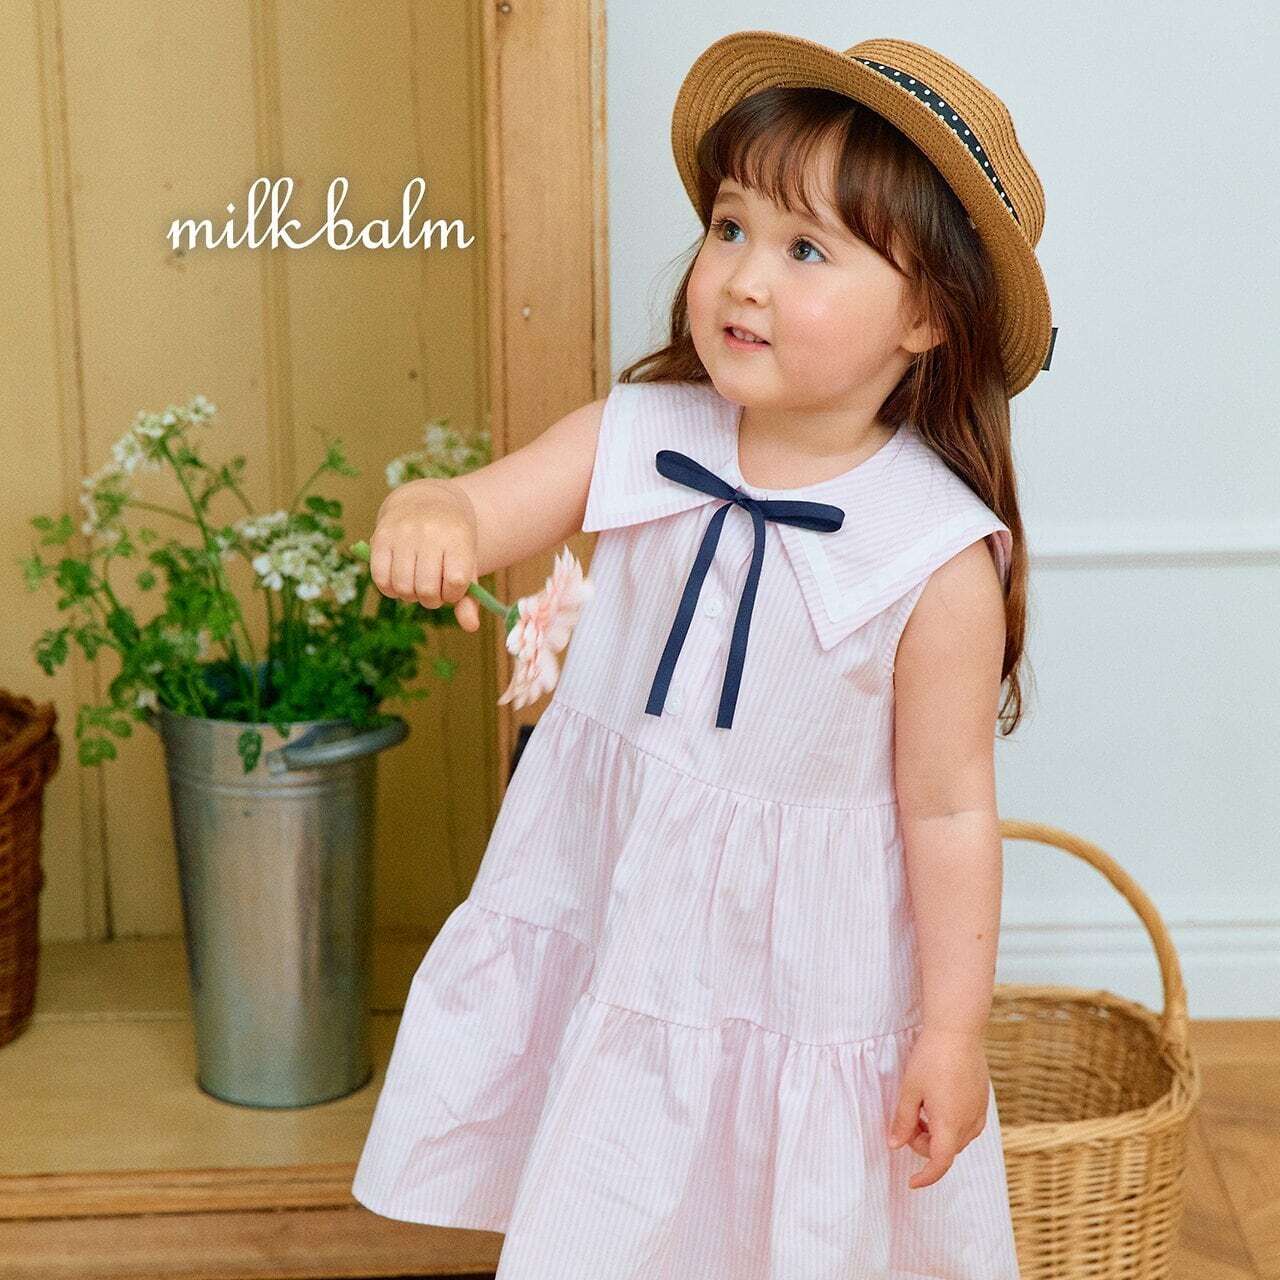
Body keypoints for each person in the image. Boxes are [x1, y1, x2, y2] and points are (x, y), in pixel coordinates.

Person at [352, 30, 1054, 1280]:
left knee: (775, 1223)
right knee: (605, 1202)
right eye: (730, 227)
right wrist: (431, 520)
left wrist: (951, 1034)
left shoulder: (932, 557)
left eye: (804, 250)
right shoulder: (636, 434)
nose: (743, 278)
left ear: (925, 317)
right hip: (616, 900)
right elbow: (479, 506)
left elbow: (949, 810)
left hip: (796, 972)